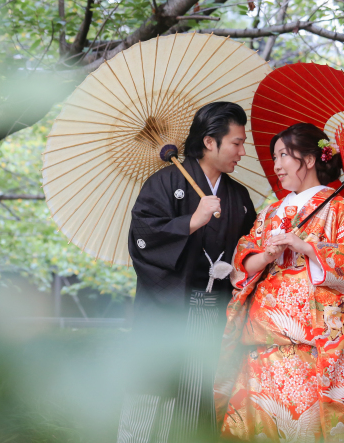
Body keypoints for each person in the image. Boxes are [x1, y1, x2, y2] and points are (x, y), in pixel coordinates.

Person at [213, 123, 344, 443]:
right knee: (255, 427)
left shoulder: (338, 207)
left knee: (300, 427)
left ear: (311, 159)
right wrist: (267, 255)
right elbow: (243, 260)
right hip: (259, 340)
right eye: (275, 157)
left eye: (283, 155)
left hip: (307, 343)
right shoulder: (272, 211)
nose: (276, 166)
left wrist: (305, 247)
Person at [117, 102, 257, 443]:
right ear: (210, 141)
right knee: (153, 396)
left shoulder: (237, 195)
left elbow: (248, 249)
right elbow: (142, 242)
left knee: (201, 400)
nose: (242, 150)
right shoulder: (164, 184)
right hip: (170, 314)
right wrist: (192, 221)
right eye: (236, 142)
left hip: (216, 315)